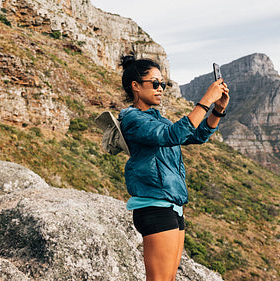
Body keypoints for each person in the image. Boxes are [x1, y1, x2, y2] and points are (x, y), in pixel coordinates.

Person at [118, 55, 230, 281]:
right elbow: (173, 135)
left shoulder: (158, 120)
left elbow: (196, 136)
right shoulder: (133, 119)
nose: (161, 89)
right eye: (155, 84)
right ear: (136, 86)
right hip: (155, 207)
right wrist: (206, 100)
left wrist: (217, 110)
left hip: (172, 207)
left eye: (164, 85)